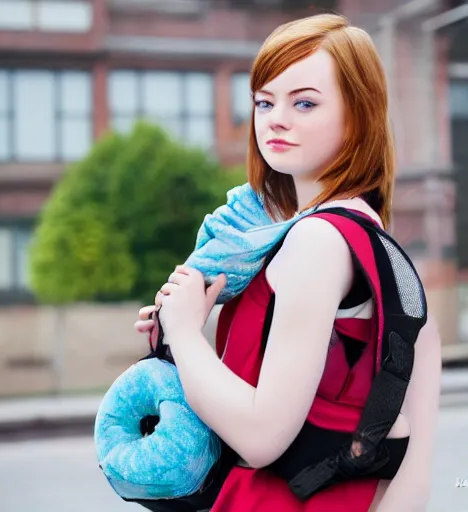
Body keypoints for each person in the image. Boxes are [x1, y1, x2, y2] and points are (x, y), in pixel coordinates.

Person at [134, 13, 441, 512]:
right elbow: (416, 468)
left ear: (358, 115)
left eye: (304, 103)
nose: (276, 119)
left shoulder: (316, 242)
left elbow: (260, 437)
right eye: (264, 101)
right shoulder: (382, 247)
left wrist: (187, 334)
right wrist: (192, 333)